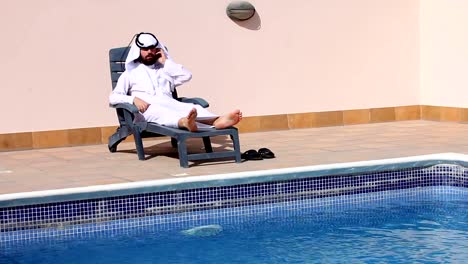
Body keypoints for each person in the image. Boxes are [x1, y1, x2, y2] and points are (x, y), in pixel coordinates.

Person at [109, 32, 242, 132]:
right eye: (145, 49)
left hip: (170, 103)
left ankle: (217, 121)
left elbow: (186, 76)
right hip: (147, 110)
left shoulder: (164, 69)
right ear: (138, 51)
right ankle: (186, 122)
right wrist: (133, 100)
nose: (150, 52)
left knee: (192, 108)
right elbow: (113, 97)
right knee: (161, 113)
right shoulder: (130, 73)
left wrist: (166, 62)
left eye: (153, 48)